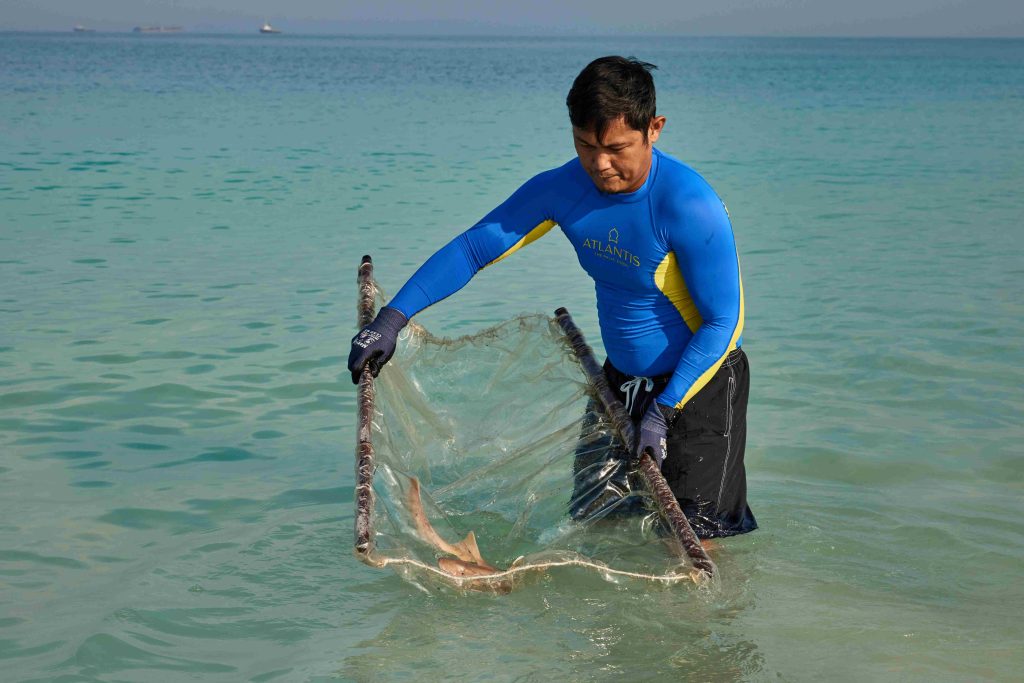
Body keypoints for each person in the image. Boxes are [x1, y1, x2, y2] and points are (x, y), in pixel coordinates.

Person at [349, 56, 756, 539]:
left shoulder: (689, 205)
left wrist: (665, 410)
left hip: (699, 388)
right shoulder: (564, 189)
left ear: (654, 129)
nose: (600, 164)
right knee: (598, 523)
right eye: (585, 145)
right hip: (621, 381)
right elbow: (473, 248)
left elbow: (724, 322)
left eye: (616, 148)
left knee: (697, 541)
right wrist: (392, 319)